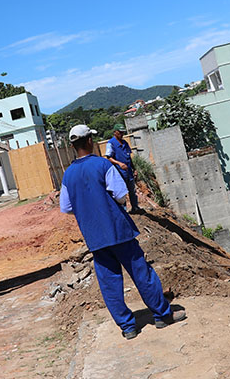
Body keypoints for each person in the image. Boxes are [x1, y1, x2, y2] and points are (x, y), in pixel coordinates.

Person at [60, 124, 185, 339]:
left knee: (109, 283)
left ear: (73, 145)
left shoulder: (68, 174)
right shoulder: (102, 164)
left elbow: (66, 207)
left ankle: (128, 328)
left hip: (94, 237)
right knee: (141, 273)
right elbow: (120, 194)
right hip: (118, 230)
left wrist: (87, 209)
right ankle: (162, 315)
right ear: (89, 141)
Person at [104, 125, 140, 213]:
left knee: (132, 190)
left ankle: (135, 207)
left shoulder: (125, 143)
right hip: (119, 172)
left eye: (123, 132)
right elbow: (109, 157)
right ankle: (123, 211)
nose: (122, 134)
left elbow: (129, 158)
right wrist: (119, 163)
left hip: (128, 171)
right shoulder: (111, 143)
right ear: (115, 132)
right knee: (121, 192)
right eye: (120, 132)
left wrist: (134, 169)